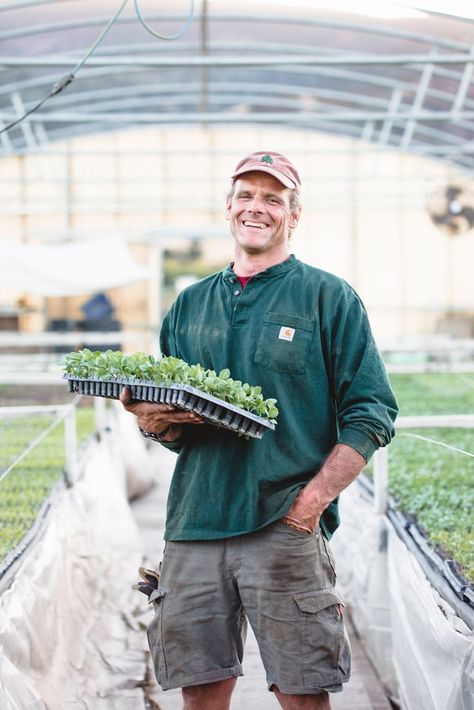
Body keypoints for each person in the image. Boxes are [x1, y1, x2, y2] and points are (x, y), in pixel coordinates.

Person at [120, 150, 398, 710]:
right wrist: (151, 420)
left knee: (301, 691)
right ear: (228, 207)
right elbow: (179, 428)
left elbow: (371, 411)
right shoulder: (190, 306)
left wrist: (310, 505)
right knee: (200, 689)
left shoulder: (327, 297)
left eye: (273, 198)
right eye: (246, 195)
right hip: (195, 522)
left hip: (283, 522)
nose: (257, 207)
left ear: (293, 216)